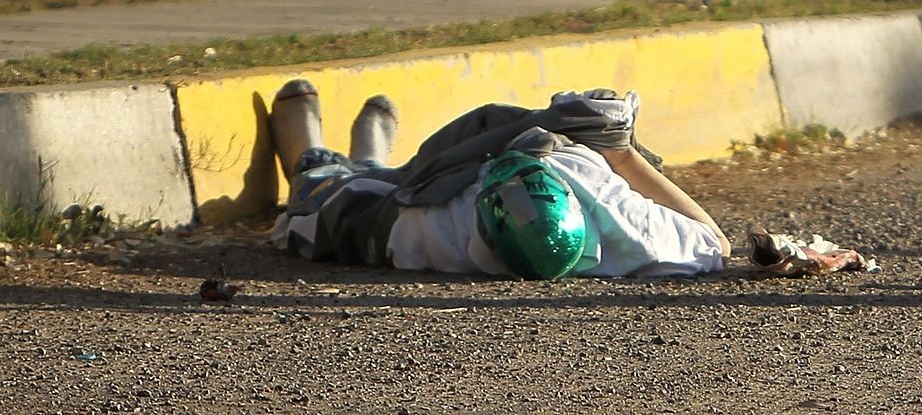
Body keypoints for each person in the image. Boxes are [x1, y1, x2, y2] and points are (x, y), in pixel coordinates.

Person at [269, 79, 731, 279]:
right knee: (399, 174)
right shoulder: (619, 213)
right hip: (495, 172)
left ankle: (322, 154)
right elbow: (719, 244)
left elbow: (354, 221)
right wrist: (622, 154)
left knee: (330, 195)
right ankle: (371, 156)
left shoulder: (441, 231)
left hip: (406, 213)